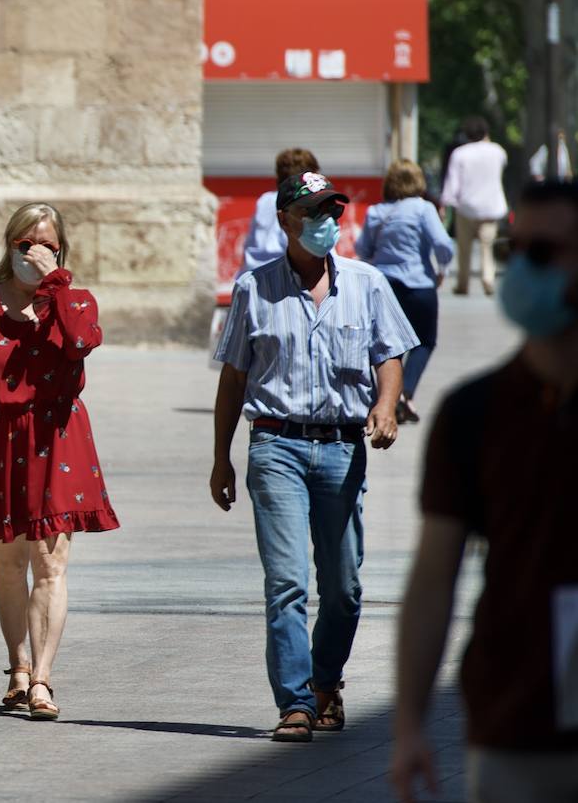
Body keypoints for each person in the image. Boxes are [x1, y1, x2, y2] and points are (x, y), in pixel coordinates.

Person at [210, 171, 418, 742]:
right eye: (312, 213)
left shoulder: (367, 283)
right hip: (275, 444)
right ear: (285, 221)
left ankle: (326, 680)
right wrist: (221, 457)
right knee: (287, 583)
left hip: (342, 449)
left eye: (332, 212)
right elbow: (233, 379)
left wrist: (386, 405)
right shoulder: (254, 289)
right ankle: (296, 703)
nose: (326, 223)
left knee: (344, 588)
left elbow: (390, 354)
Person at [392, 180, 578, 803]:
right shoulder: (472, 413)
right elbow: (433, 578)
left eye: (545, 253)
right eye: (516, 252)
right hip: (512, 723)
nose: (524, 270)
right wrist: (409, 722)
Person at [0, 202, 119, 722]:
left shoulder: (76, 300)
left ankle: (42, 678)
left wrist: (55, 284)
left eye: (46, 246)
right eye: (25, 244)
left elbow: (80, 342)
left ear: (60, 251)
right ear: (9, 246)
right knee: (10, 563)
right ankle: (17, 667)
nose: (34, 253)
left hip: (56, 438)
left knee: (50, 563)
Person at [355, 160, 455, 423]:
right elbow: (443, 243)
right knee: (424, 341)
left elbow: (362, 249)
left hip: (384, 287)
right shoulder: (423, 209)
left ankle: (388, 398)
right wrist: (442, 267)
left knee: (388, 345)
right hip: (419, 285)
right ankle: (405, 393)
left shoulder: (376, 211)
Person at [441, 116, 509, 296]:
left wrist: (446, 202)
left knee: (464, 248)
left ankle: (463, 283)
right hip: (491, 207)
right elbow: (503, 165)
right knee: (487, 245)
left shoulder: (460, 153)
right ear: (486, 133)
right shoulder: (497, 151)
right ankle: (488, 277)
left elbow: (452, 182)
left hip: (466, 207)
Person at [239, 148, 321, 278]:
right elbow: (318, 248)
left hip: (252, 275)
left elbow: (249, 245)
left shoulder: (264, 200)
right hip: (282, 278)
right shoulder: (306, 204)